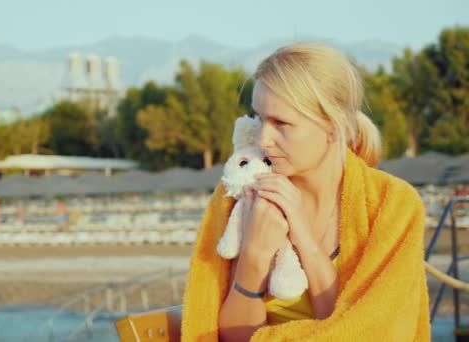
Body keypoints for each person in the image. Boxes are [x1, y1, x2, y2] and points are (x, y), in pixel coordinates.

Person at [181, 42, 430, 341]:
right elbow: (232, 338)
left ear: (332, 127)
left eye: (281, 123)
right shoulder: (240, 196)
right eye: (259, 118)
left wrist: (303, 236)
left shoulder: (391, 206)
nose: (263, 139)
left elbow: (360, 330)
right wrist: (254, 255)